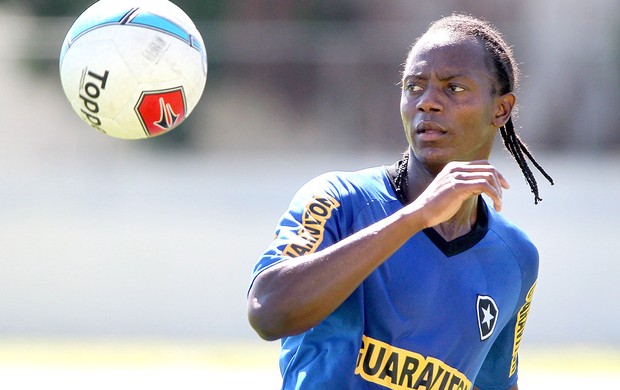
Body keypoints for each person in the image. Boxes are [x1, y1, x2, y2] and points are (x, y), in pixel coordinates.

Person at [247, 13, 554, 390]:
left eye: (453, 88)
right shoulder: (339, 200)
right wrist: (416, 217)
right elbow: (268, 312)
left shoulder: (516, 258)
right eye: (414, 87)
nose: (428, 102)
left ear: (501, 109)